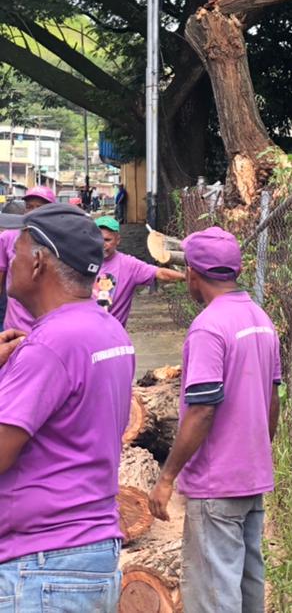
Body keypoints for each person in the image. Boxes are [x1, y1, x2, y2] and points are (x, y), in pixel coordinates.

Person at [0, 203, 135, 610]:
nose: (10, 260)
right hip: (88, 556)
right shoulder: (107, 330)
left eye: (16, 252)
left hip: (42, 568)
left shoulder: (48, 346)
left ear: (38, 261)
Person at [149, 227, 281, 613]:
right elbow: (272, 398)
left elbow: (203, 408)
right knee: (246, 584)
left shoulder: (208, 327)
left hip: (215, 482)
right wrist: (257, 451)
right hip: (251, 475)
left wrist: (167, 476)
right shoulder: (260, 318)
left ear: (192, 272)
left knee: (213, 593)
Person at [93, 217, 186, 327]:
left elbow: (160, 273)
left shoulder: (128, 264)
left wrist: (188, 277)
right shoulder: (81, 261)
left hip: (112, 334)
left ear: (118, 240)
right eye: (98, 239)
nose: (102, 244)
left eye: (107, 240)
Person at [0, 186, 56, 335]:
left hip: (48, 327)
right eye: (29, 207)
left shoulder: (59, 241)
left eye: (39, 207)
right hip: (14, 327)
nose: (33, 212)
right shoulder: (8, 237)